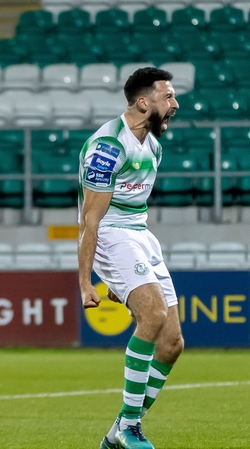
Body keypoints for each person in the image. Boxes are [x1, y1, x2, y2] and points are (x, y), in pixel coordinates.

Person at [78, 67, 182, 449]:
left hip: (140, 236)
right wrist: (88, 281)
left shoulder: (153, 145)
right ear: (143, 102)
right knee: (153, 315)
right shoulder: (108, 146)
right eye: (167, 97)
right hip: (110, 233)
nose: (175, 104)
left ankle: (115, 434)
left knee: (172, 343)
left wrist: (124, 280)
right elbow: (91, 220)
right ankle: (130, 427)